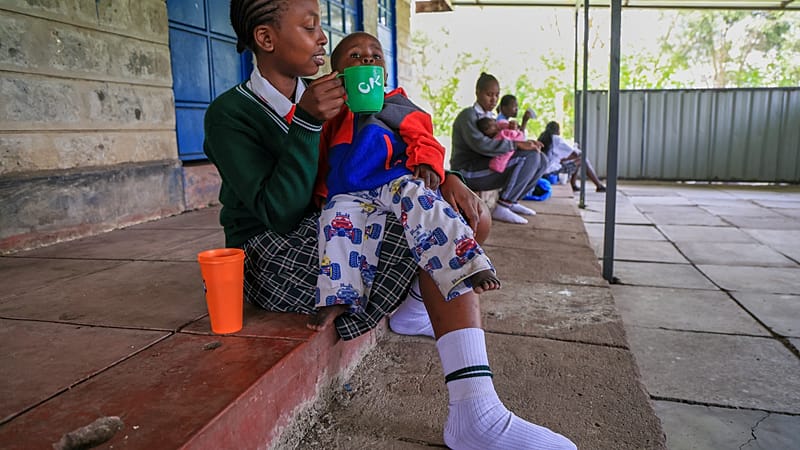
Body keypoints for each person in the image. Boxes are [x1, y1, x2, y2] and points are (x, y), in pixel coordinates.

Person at [205, 2, 576, 448]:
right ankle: (475, 413)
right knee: (429, 227)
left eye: (320, 26)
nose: (322, 37)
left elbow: (390, 146)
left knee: (451, 209)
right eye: (309, 27)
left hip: (327, 224)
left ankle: (426, 327)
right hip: (272, 252)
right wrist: (306, 122)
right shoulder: (231, 114)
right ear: (266, 39)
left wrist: (444, 176)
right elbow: (280, 211)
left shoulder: (332, 91)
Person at [314, 32, 500, 323]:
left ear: (384, 75)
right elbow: (318, 157)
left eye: (375, 56)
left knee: (422, 200)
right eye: (355, 56)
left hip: (394, 179)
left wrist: (426, 162)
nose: (367, 59)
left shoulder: (397, 105)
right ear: (338, 75)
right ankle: (338, 296)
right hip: (348, 191)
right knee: (335, 224)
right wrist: (321, 194)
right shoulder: (330, 116)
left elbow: (424, 138)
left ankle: (468, 264)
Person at [450, 73, 551, 225]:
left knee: (541, 158)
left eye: (497, 95)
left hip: (486, 167)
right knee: (530, 157)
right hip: (467, 172)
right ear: (477, 92)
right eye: (489, 94)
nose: (494, 100)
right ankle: (503, 205)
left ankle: (513, 201)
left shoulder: (491, 117)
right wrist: (516, 144)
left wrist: (524, 141)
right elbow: (482, 145)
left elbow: (503, 138)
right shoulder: (468, 116)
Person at [538, 121, 606, 192]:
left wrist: (565, 159)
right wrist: (576, 149)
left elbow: (554, 157)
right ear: (557, 130)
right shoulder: (556, 139)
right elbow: (575, 154)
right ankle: (599, 186)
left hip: (543, 172)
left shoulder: (543, 138)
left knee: (575, 161)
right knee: (583, 160)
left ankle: (573, 185)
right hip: (552, 173)